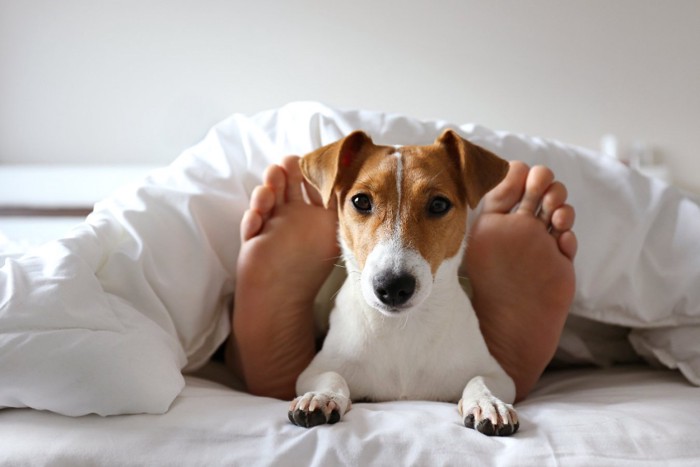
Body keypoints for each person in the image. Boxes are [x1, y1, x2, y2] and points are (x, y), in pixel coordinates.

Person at [226, 155, 577, 403]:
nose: (395, 261)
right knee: (316, 340)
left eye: (437, 206)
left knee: (478, 371)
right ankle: (482, 373)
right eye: (362, 202)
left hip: (430, 309)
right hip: (344, 300)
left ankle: (485, 371)